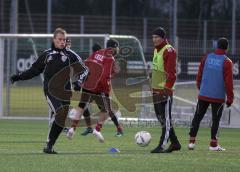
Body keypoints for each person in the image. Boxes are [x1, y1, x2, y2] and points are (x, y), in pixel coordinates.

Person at [10, 28, 89, 154]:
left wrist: (79, 82)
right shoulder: (47, 54)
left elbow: (84, 70)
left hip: (65, 92)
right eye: (59, 39)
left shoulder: (70, 55)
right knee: (60, 113)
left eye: (64, 40)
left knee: (61, 119)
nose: (62, 42)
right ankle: (52, 130)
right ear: (54, 40)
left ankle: (49, 146)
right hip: (50, 91)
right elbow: (34, 70)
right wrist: (19, 76)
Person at [67, 39, 123, 142]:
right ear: (114, 47)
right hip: (99, 87)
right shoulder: (110, 58)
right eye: (117, 47)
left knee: (81, 106)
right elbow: (104, 75)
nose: (118, 49)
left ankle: (72, 128)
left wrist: (80, 81)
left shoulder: (97, 52)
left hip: (87, 84)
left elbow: (85, 65)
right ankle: (97, 130)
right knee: (106, 110)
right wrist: (106, 89)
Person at [188, 37, 234, 151]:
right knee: (215, 120)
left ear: (216, 46)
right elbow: (229, 82)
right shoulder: (227, 62)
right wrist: (230, 98)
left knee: (197, 117)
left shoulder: (206, 57)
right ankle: (213, 145)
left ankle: (191, 142)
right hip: (218, 96)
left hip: (204, 93)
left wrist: (201, 87)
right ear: (227, 48)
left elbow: (199, 74)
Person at [150, 27, 181, 153]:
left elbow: (172, 74)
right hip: (155, 90)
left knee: (165, 119)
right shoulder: (156, 50)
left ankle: (162, 145)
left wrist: (166, 90)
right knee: (161, 118)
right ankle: (175, 143)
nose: (154, 39)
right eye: (153, 37)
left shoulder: (169, 51)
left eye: (157, 37)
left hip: (164, 92)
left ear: (163, 38)